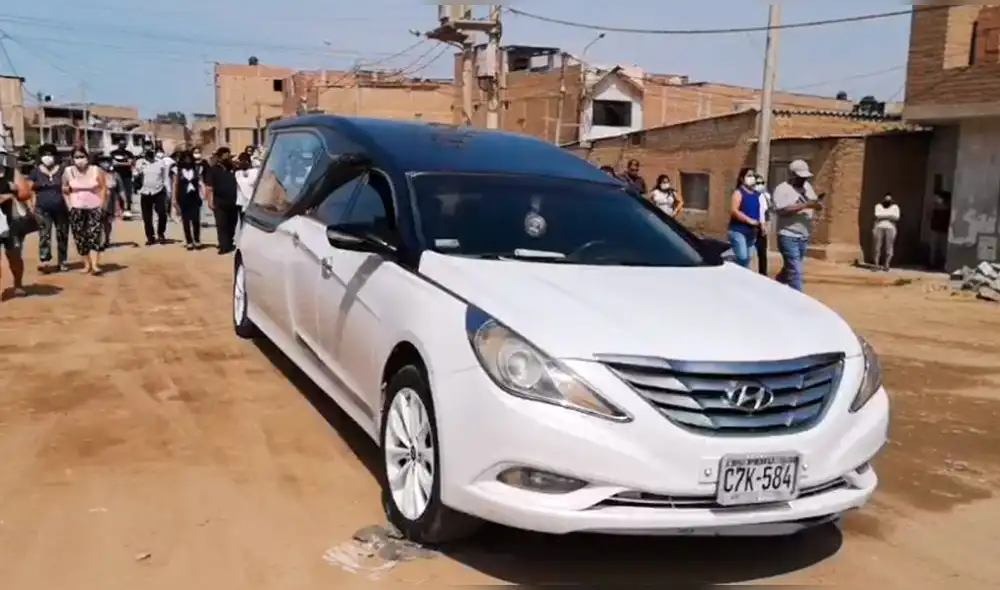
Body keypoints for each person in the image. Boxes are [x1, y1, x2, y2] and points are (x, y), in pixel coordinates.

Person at [772, 160, 822, 291]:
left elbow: (812, 202)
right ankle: (799, 301)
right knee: (796, 271)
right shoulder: (782, 189)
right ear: (791, 174)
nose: (803, 180)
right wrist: (805, 205)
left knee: (791, 268)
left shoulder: (808, 187)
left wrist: (816, 205)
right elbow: (782, 211)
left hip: (803, 235)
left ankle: (774, 287)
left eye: (805, 177)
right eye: (800, 177)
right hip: (788, 235)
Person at [62, 147, 108, 275]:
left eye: (82, 156)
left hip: (94, 206)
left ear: (87, 157)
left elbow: (103, 187)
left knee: (95, 235)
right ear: (72, 159)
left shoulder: (95, 170)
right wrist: (69, 205)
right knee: (80, 237)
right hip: (76, 207)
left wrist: (102, 205)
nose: (80, 160)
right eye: (76, 157)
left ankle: (95, 264)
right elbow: (64, 189)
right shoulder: (68, 171)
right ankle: (86, 264)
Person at [28, 144, 70, 272]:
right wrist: (31, 206)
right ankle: (45, 260)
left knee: (62, 234)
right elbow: (30, 189)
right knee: (44, 234)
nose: (48, 157)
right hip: (42, 207)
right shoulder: (35, 171)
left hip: (62, 207)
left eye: (50, 154)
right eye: (45, 154)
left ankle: (63, 261)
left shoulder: (63, 170)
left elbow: (69, 186)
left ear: (55, 156)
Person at [0, 163, 30, 298]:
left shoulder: (12, 173)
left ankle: (18, 284)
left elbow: (26, 193)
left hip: (11, 219)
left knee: (14, 255)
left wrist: (15, 190)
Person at [205, 146, 240, 254]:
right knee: (221, 224)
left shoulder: (233, 169)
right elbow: (209, 187)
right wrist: (210, 201)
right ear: (219, 157)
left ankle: (229, 242)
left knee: (232, 223)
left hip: (234, 201)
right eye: (225, 155)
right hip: (219, 201)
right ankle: (223, 246)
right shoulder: (213, 170)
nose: (227, 158)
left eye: (228, 155)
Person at [727, 168, 763, 268]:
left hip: (752, 233)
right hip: (738, 231)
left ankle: (740, 277)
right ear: (742, 178)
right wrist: (749, 220)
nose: (752, 178)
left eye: (753, 176)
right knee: (742, 257)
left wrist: (763, 225)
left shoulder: (757, 194)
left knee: (747, 259)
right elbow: (734, 211)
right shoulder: (739, 192)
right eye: (749, 175)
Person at [136, 147, 170, 245]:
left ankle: (161, 233)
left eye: (151, 153)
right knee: (147, 217)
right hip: (145, 192)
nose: (150, 155)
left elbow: (165, 177)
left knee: (162, 213)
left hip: (158, 191)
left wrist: (167, 190)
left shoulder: (160, 163)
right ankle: (150, 236)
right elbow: (136, 175)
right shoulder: (140, 163)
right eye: (147, 153)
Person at [173, 150, 204, 250]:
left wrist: (202, 195)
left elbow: (200, 183)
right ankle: (189, 241)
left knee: (196, 220)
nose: (188, 160)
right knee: (185, 220)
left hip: (194, 197)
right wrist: (174, 199)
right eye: (185, 158)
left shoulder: (196, 169)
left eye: (189, 158)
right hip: (183, 197)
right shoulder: (177, 170)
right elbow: (175, 184)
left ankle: (197, 239)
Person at [96, 154, 125, 249]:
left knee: (107, 223)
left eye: (107, 161)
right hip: (97, 201)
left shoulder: (115, 175)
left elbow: (121, 190)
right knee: (97, 223)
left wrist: (125, 202)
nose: (105, 163)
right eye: (103, 161)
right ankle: (98, 242)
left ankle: (107, 239)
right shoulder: (94, 174)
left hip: (110, 202)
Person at [872, 193, 900, 271]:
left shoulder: (895, 207)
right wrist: (889, 216)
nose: (887, 201)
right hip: (878, 227)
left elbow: (896, 217)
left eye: (889, 200)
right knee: (877, 247)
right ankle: (876, 264)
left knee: (889, 247)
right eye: (886, 199)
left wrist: (883, 216)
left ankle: (887, 264)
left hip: (890, 228)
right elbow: (877, 215)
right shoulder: (878, 206)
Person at [110, 139, 135, 219]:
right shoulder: (113, 153)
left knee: (127, 194)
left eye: (124, 144)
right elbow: (112, 163)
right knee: (116, 194)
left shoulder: (129, 154)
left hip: (127, 176)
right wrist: (124, 163)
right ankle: (118, 210)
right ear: (118, 144)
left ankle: (127, 210)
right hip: (116, 176)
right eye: (121, 143)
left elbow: (130, 163)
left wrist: (118, 163)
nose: (122, 145)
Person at [754, 173, 773, 275]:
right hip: (754, 226)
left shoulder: (765, 196)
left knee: (762, 253)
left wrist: (765, 226)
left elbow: (767, 211)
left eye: (762, 183)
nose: (760, 185)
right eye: (758, 183)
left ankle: (763, 274)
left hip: (762, 226)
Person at [929, 190, 950, 270]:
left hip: (942, 230)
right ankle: (933, 263)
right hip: (936, 229)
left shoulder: (945, 208)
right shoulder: (935, 207)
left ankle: (940, 264)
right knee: (934, 248)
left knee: (942, 248)